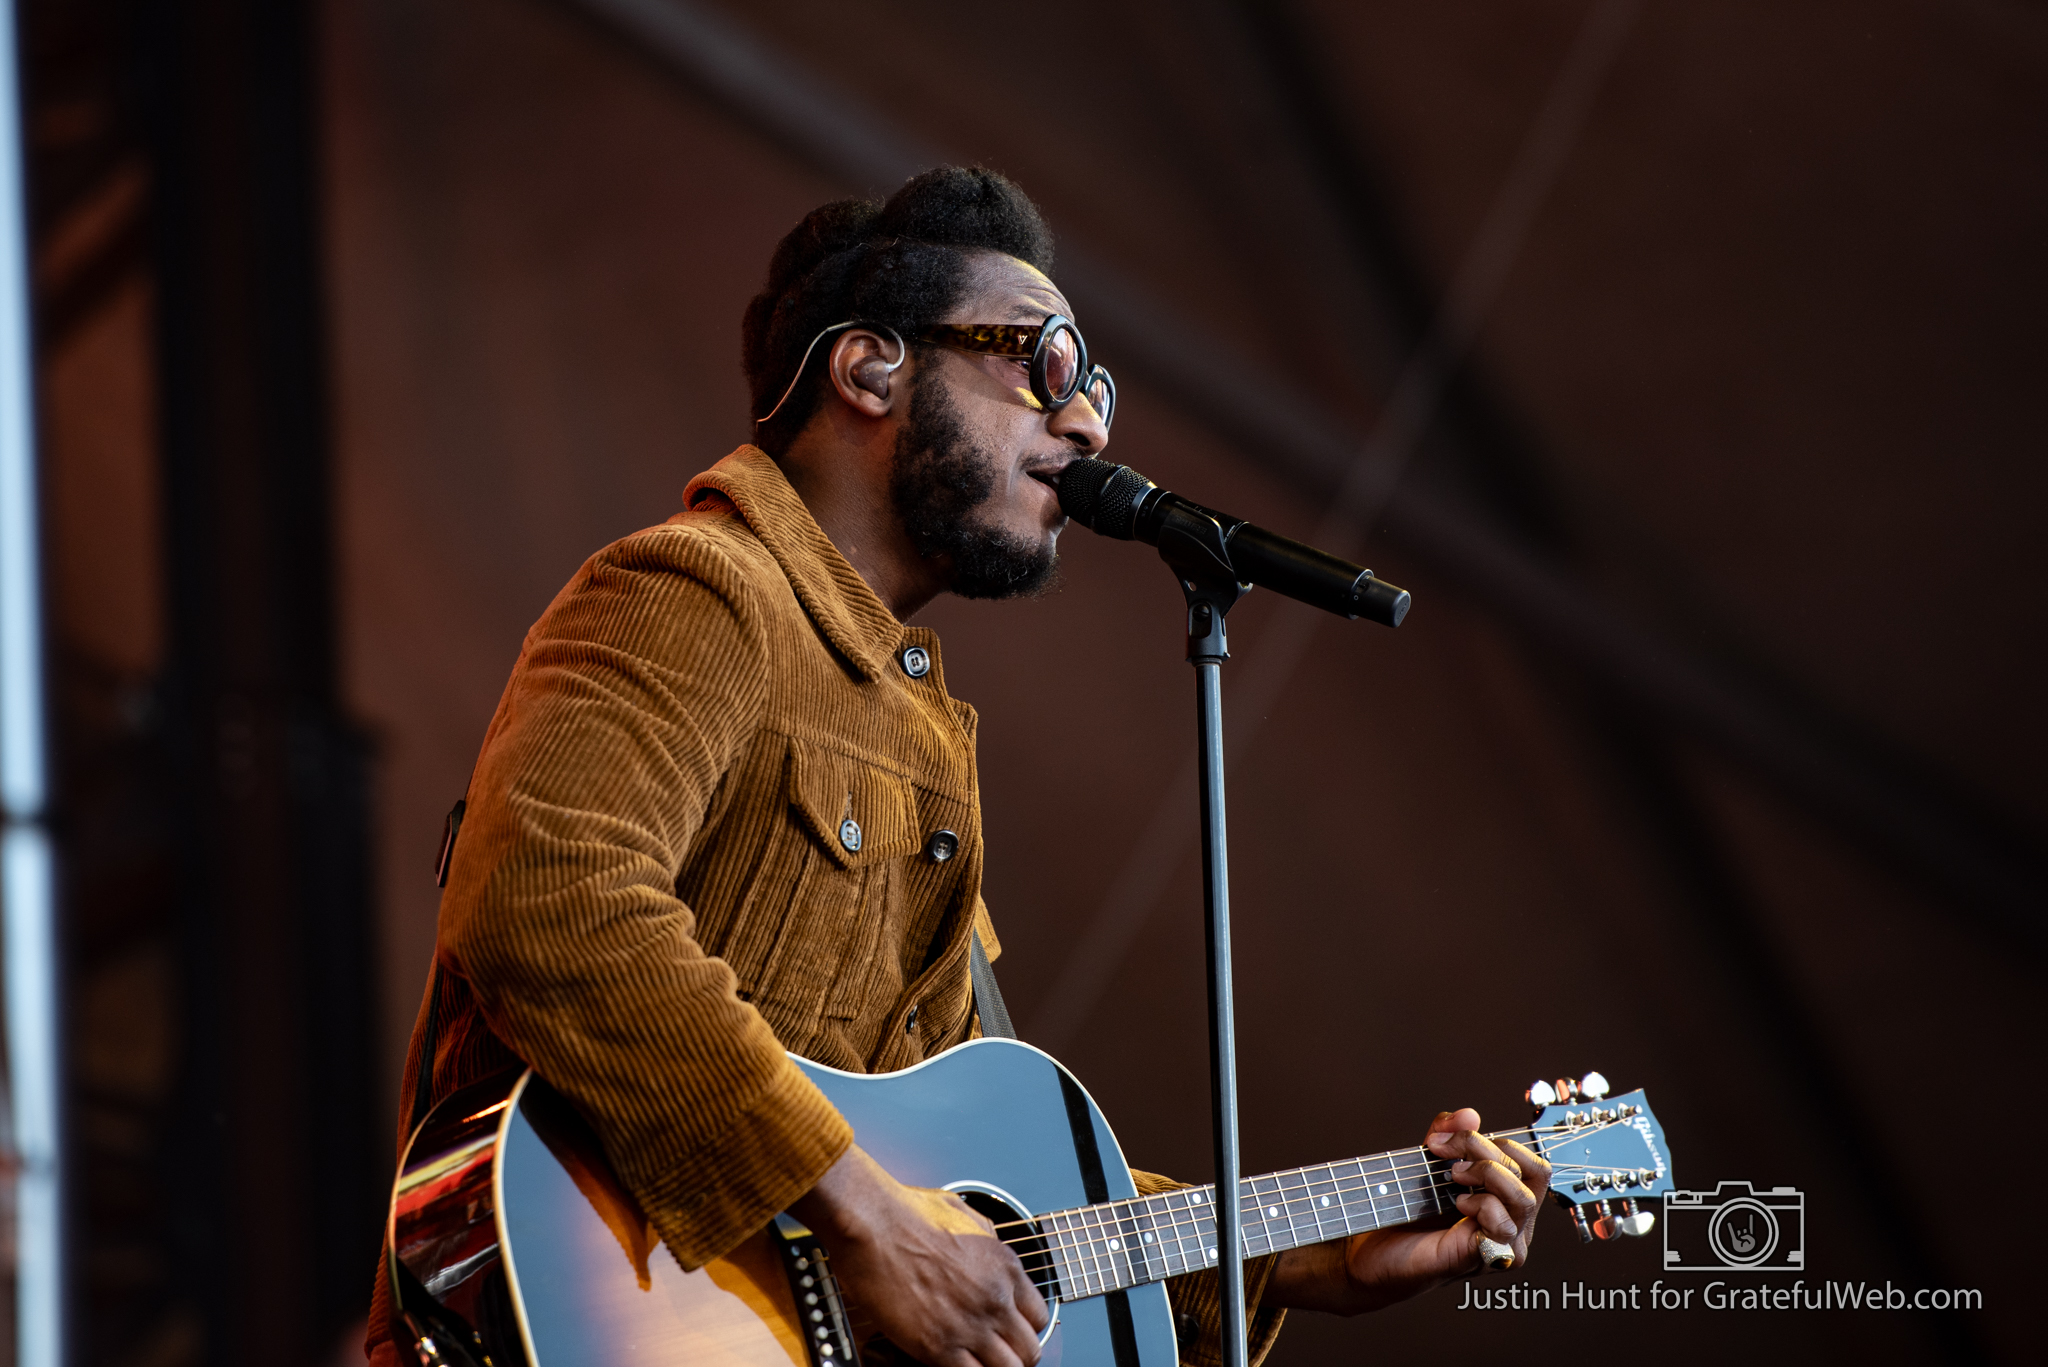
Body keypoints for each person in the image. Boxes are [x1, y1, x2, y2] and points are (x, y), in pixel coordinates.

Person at [365, 167, 1550, 1367]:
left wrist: (1317, 1259)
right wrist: (867, 1218)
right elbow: (548, 898)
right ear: (870, 369)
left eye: (1095, 385)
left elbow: (987, 1191)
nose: (1086, 418)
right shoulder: (700, 589)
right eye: (1042, 360)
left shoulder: (914, 731)